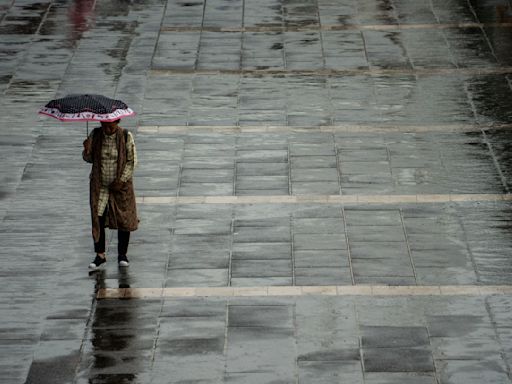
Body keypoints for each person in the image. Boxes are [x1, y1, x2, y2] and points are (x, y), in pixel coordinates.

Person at [82, 119, 138, 270]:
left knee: (123, 219)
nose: (107, 127)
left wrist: (121, 180)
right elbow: (89, 159)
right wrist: (86, 150)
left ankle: (122, 254)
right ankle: (100, 255)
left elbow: (131, 161)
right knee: (98, 217)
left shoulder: (126, 136)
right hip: (100, 186)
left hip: (120, 187)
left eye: (110, 124)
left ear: (118, 121)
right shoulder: (95, 134)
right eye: (104, 124)